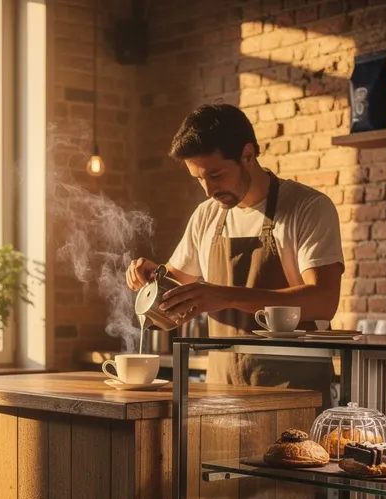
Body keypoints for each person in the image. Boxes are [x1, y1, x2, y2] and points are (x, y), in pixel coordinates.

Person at [126, 103, 344, 387]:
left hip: (294, 390)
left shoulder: (308, 207)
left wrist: (228, 296)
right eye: (199, 180)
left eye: (216, 176)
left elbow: (324, 302)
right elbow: (176, 293)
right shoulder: (207, 215)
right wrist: (154, 278)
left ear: (248, 154)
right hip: (221, 390)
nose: (208, 191)